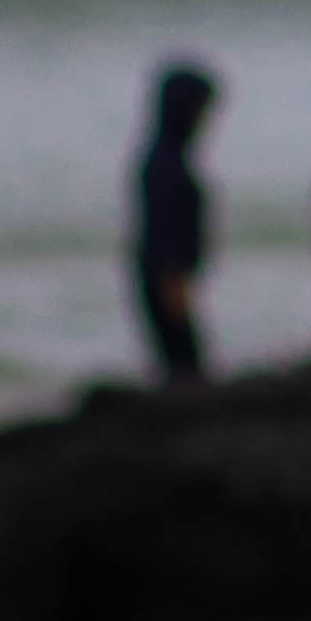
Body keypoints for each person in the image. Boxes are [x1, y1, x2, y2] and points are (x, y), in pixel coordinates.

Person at [131, 61, 219, 383]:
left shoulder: (163, 158)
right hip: (167, 281)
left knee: (179, 367)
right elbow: (166, 233)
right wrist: (176, 289)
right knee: (185, 368)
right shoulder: (168, 166)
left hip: (162, 279)